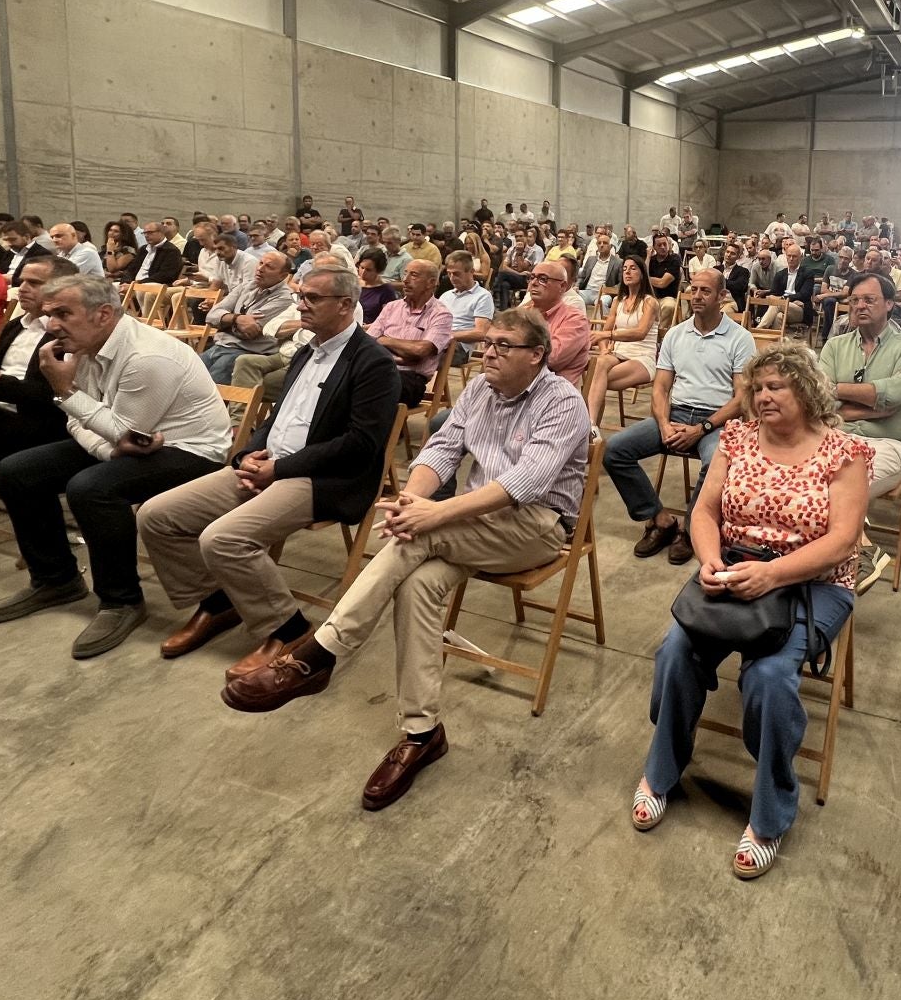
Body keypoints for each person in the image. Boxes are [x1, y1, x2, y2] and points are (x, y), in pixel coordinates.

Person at [220, 307, 588, 811]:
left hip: (536, 526)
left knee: (417, 538)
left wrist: (434, 517)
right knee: (417, 582)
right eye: (487, 343)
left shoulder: (562, 402)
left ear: (537, 356)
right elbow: (440, 451)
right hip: (471, 524)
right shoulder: (480, 391)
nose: (489, 353)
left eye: (504, 346)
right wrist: (415, 500)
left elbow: (524, 484)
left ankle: (321, 651)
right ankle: (422, 732)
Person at [630, 341, 870, 878]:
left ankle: (771, 811)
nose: (762, 396)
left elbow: (842, 541)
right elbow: (705, 511)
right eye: (756, 388)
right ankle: (662, 768)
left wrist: (773, 574)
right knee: (675, 649)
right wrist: (711, 561)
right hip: (735, 566)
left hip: (813, 581)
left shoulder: (845, 453)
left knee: (769, 675)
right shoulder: (735, 439)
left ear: (805, 391)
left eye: (775, 387)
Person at [140, 265, 399, 680]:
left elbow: (359, 444)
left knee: (223, 539)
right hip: (271, 466)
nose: (302, 304)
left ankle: (290, 629)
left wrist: (280, 468)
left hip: (322, 478)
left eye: (314, 298)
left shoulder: (373, 363)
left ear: (346, 305)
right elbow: (277, 418)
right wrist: (248, 454)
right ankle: (219, 601)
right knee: (157, 516)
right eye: (303, 295)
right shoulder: (306, 350)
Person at [0, 274, 233, 659]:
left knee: (93, 489)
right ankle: (55, 579)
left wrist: (66, 392)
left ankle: (121, 601)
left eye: (64, 313)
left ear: (104, 314)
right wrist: (108, 448)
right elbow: (84, 422)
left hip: (190, 450)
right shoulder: (78, 345)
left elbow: (115, 426)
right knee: (15, 472)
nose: (52, 325)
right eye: (49, 314)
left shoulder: (147, 357)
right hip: (128, 441)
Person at [606, 270, 751, 567]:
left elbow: (740, 399)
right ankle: (660, 519)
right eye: (693, 289)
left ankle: (689, 530)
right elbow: (660, 387)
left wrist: (702, 428)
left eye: (705, 291)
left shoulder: (740, 338)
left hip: (716, 421)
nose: (696, 296)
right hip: (675, 415)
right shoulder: (676, 334)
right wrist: (663, 424)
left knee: (715, 464)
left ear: (722, 297)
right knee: (615, 450)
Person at [816, 271, 901, 592]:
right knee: (811, 478)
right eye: (855, 300)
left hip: (888, 444)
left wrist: (841, 395)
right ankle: (862, 549)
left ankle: (843, 560)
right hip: (838, 438)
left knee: (832, 487)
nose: (860, 305)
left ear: (890, 304)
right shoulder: (835, 346)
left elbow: (895, 394)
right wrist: (873, 404)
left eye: (869, 300)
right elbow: (819, 397)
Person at [583, 257, 659, 432]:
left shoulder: (650, 302)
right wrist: (604, 350)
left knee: (594, 379)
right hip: (618, 354)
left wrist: (608, 335)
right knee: (600, 363)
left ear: (642, 273)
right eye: (625, 268)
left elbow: (640, 333)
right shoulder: (618, 301)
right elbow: (605, 334)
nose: (627, 272)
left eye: (633, 268)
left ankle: (588, 425)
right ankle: (591, 425)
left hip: (642, 357)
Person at [199, 251, 297, 384]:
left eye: (269, 267)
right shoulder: (247, 286)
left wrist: (223, 321)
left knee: (205, 392)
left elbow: (248, 332)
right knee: (186, 380)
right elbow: (211, 316)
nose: (260, 269)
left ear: (283, 275)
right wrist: (236, 319)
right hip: (220, 345)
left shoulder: (284, 298)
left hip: (245, 352)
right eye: (261, 263)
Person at [366, 259, 452, 408]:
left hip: (411, 380)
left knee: (371, 387)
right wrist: (402, 354)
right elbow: (369, 343)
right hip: (380, 369)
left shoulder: (441, 314)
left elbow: (420, 351)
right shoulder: (392, 307)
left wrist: (385, 340)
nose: (405, 280)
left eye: (414, 275)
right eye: (405, 274)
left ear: (431, 283)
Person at [523, 261, 590, 386]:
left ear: (562, 286)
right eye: (532, 277)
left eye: (543, 279)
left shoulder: (575, 319)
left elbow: (552, 358)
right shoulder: (522, 313)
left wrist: (513, 353)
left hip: (554, 394)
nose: (533, 283)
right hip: (515, 387)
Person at [438, 250, 495, 363]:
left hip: (459, 348)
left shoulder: (482, 296)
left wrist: (448, 336)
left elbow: (481, 333)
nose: (452, 278)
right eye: (449, 273)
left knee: (420, 356)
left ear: (471, 272)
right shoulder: (446, 296)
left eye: (456, 273)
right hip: (439, 341)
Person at [756, 241, 813, 331]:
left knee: (778, 304)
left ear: (801, 257)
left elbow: (805, 294)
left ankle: (759, 330)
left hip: (800, 310)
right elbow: (774, 293)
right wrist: (788, 299)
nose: (791, 259)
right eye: (789, 256)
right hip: (786, 307)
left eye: (794, 256)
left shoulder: (807, 273)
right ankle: (777, 343)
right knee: (779, 316)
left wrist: (784, 298)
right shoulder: (780, 274)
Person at [131, 220, 185, 286]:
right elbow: (131, 269)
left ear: (161, 233)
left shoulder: (171, 250)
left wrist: (138, 283)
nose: (146, 235)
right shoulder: (143, 249)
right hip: (134, 283)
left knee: (143, 290)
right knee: (116, 287)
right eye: (144, 233)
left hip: (154, 283)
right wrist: (125, 282)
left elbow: (165, 275)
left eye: (150, 232)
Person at [354, 249, 393, 324]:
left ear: (378, 271)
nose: (363, 273)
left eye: (369, 270)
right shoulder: (354, 283)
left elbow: (386, 320)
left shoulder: (386, 291)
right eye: (362, 267)